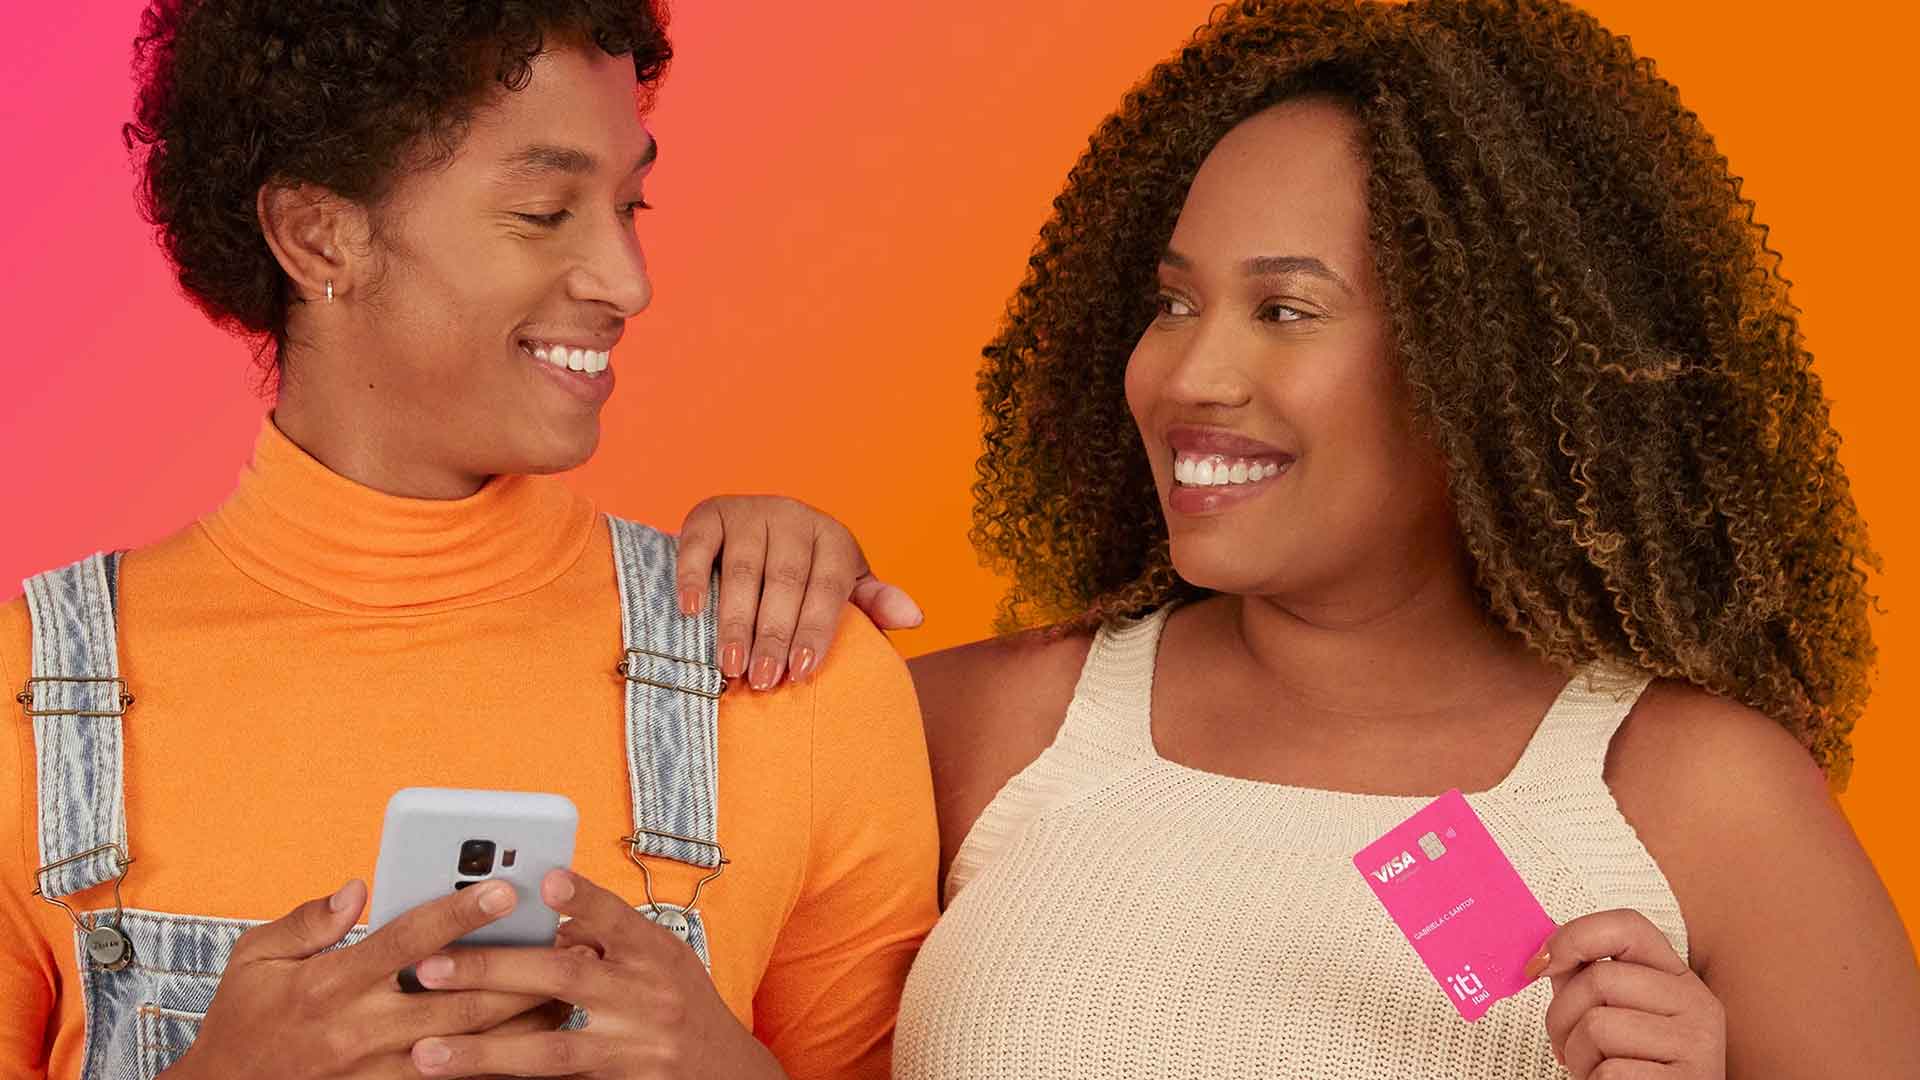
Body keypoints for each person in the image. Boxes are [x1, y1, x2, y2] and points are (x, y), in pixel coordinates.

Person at [684, 1, 1920, 1075]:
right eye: (1174, 302)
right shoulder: (987, 734)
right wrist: (720, 605)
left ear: (1488, 366)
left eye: (1285, 310)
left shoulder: (1706, 801)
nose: (1188, 373)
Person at [0, 2, 937, 1078]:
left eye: (629, 204)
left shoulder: (782, 671)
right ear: (318, 235)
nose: (628, 282)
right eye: (543, 212)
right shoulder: (24, 703)